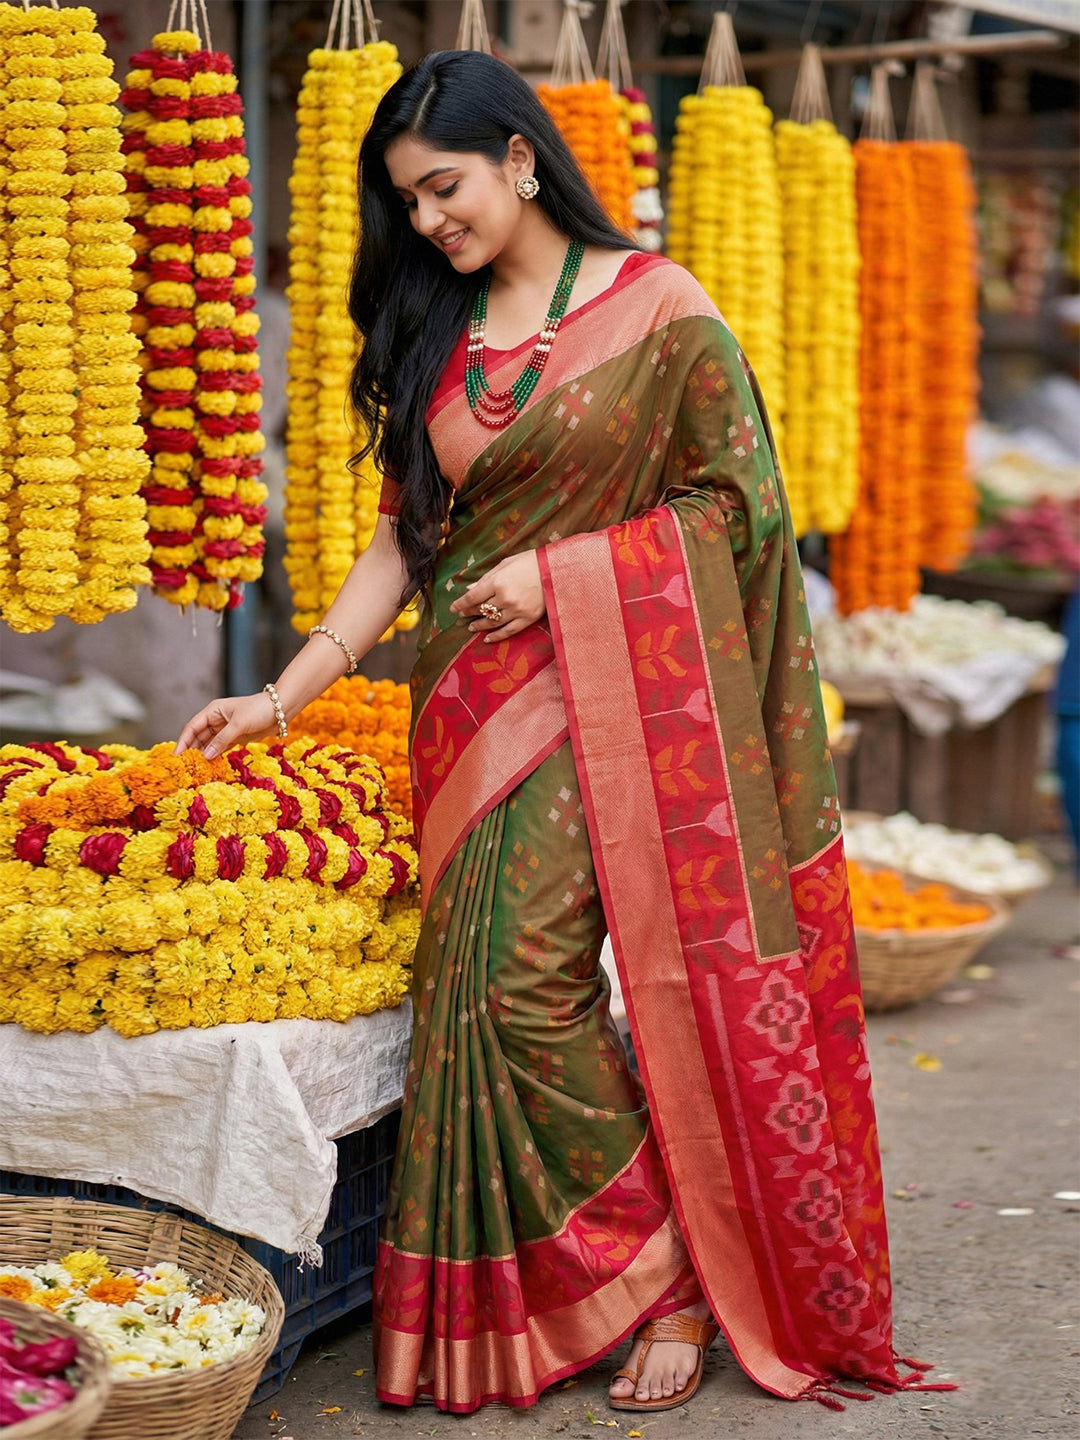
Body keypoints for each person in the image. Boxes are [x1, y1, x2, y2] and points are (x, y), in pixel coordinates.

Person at [177, 50, 929, 1418]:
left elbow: (742, 511)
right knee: (475, 1001)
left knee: (524, 988)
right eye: (407, 203)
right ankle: (573, 1283)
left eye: (443, 188)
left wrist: (576, 570)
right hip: (465, 711)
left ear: (521, 157)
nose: (427, 223)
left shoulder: (661, 310)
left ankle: (672, 1278)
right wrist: (285, 692)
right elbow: (408, 542)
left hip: (618, 701)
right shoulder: (440, 329)